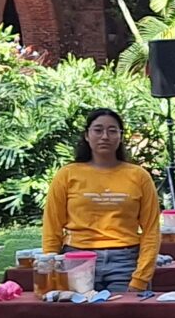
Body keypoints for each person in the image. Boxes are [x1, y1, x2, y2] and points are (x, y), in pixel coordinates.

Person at [41, 108, 161, 291]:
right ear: (87, 135)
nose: (105, 136)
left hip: (126, 260)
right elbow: (52, 225)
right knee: (78, 310)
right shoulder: (67, 174)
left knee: (126, 309)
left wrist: (141, 278)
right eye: (98, 130)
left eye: (112, 131)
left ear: (120, 136)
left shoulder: (139, 176)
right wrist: (51, 265)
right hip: (77, 259)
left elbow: (151, 230)